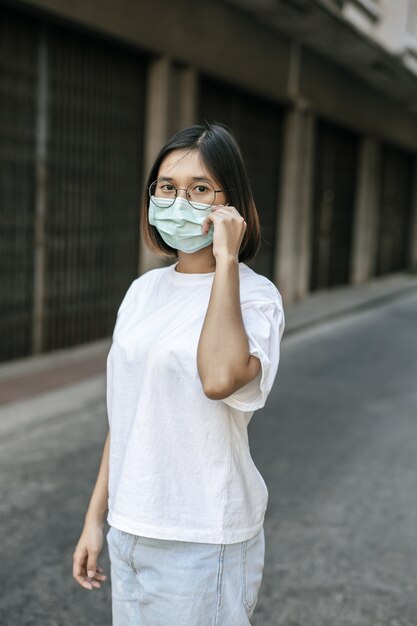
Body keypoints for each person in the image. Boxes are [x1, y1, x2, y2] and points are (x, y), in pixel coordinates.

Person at [72, 122, 285, 625]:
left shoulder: (256, 298)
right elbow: (128, 414)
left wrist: (227, 259)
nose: (178, 201)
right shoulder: (142, 292)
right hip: (130, 528)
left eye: (200, 189)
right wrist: (95, 520)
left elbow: (218, 378)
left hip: (202, 537)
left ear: (230, 203)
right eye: (167, 187)